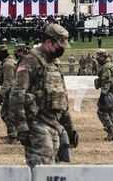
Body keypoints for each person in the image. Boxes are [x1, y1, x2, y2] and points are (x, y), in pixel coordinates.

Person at [9, 24, 77, 167]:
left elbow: (62, 98)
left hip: (55, 125)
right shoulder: (30, 61)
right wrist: (22, 128)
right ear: (48, 42)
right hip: (37, 125)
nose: (62, 49)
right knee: (42, 170)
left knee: (60, 171)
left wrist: (70, 128)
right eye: (60, 45)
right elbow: (17, 96)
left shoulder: (55, 64)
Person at [0, 44, 18, 144]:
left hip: (11, 92)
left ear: (1, 54)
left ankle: (13, 136)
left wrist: (1, 94)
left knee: (6, 114)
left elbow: (8, 81)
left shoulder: (8, 64)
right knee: (11, 114)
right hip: (13, 91)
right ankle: (13, 135)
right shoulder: (9, 62)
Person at [94, 49, 113, 141]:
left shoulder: (106, 67)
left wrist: (103, 95)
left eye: (99, 56)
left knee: (102, 112)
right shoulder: (109, 65)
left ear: (103, 56)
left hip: (108, 92)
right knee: (110, 112)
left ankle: (111, 131)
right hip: (112, 92)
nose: (97, 59)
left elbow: (107, 81)